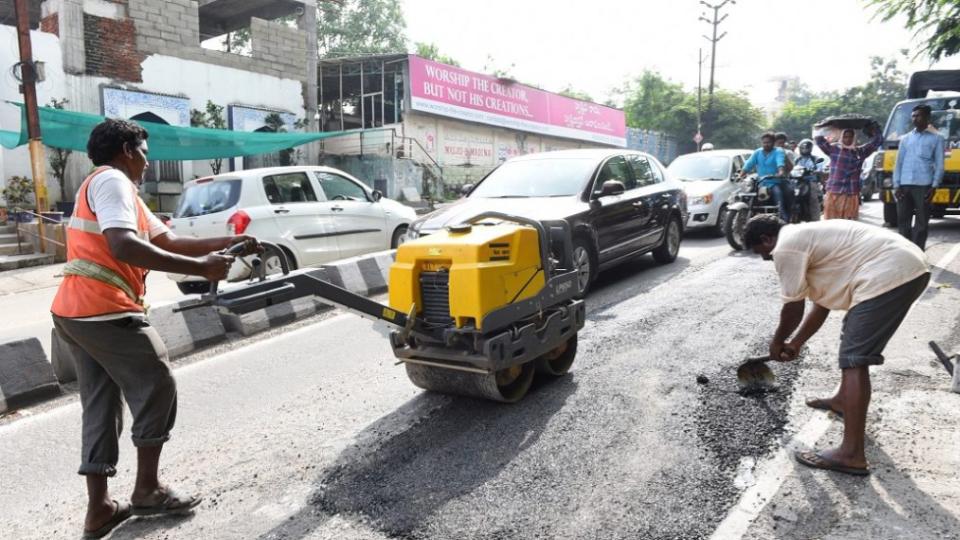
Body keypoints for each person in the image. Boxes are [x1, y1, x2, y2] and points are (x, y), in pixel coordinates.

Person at [51, 119, 261, 538]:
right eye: (145, 152)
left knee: (101, 404)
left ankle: (101, 510)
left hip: (74, 313)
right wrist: (200, 268)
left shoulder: (112, 187)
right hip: (104, 310)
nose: (149, 162)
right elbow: (123, 245)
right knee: (157, 381)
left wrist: (222, 244)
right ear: (127, 149)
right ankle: (146, 490)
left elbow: (166, 242)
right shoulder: (112, 181)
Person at [743, 214, 929, 476]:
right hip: (906, 266)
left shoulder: (785, 246)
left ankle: (851, 454)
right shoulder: (808, 237)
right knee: (851, 341)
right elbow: (823, 304)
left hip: (889, 272)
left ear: (766, 238)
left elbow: (793, 309)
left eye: (763, 253)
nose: (767, 259)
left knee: (854, 358)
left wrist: (776, 342)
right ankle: (843, 401)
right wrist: (796, 342)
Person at [894, 104, 946, 250]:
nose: (915, 118)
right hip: (904, 185)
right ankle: (906, 253)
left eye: (919, 115)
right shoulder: (905, 139)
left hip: (924, 185)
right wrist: (896, 185)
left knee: (922, 222)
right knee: (903, 221)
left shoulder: (937, 139)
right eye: (913, 116)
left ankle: (918, 252)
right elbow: (899, 163)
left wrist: (934, 186)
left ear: (927, 118)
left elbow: (940, 165)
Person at [815, 121, 883, 220]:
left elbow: (878, 141)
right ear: (842, 137)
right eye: (845, 136)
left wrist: (875, 129)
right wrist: (824, 126)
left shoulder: (860, 152)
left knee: (848, 225)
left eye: (850, 136)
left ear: (854, 138)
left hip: (851, 194)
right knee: (832, 225)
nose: (848, 139)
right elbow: (819, 139)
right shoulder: (834, 150)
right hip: (834, 192)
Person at [742, 132, 790, 221]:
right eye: (764, 142)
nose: (766, 144)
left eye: (768, 142)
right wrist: (741, 175)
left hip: (774, 182)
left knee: (778, 198)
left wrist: (780, 172)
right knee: (749, 197)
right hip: (761, 183)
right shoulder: (757, 152)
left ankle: (784, 219)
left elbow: (780, 162)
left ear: (773, 142)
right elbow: (748, 164)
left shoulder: (778, 151)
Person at [792, 139, 825, 221]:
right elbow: (791, 169)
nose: (804, 149)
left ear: (811, 148)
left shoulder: (815, 159)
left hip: (810, 181)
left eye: (807, 147)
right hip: (797, 182)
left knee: (813, 198)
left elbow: (820, 169)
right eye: (802, 147)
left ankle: (815, 220)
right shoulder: (796, 160)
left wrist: (817, 170)